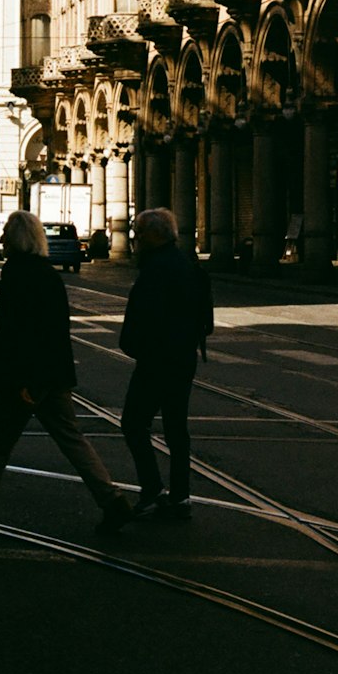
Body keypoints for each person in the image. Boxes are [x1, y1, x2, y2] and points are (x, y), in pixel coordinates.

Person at [0, 211, 131, 540]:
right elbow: (50, 330)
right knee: (73, 441)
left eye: (6, 233)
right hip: (52, 375)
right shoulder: (46, 274)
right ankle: (112, 500)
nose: (2, 238)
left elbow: (25, 333)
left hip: (24, 380)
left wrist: (24, 380)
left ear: (17, 239)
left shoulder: (18, 274)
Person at [120, 207, 206, 519]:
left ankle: (153, 489)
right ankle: (180, 497)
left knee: (132, 422)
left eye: (140, 233)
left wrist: (134, 346)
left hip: (156, 361)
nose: (136, 239)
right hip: (183, 358)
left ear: (154, 235)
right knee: (176, 428)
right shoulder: (188, 265)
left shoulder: (154, 269)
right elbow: (203, 319)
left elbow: (140, 319)